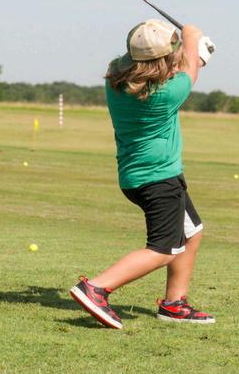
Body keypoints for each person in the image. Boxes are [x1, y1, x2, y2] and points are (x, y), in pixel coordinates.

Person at [69, 19, 216, 328]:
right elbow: (189, 72)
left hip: (136, 178)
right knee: (163, 250)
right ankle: (96, 288)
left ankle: (174, 304)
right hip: (159, 180)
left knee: (192, 232)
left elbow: (179, 69)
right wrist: (191, 39)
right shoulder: (166, 94)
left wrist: (190, 51)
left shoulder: (115, 79)